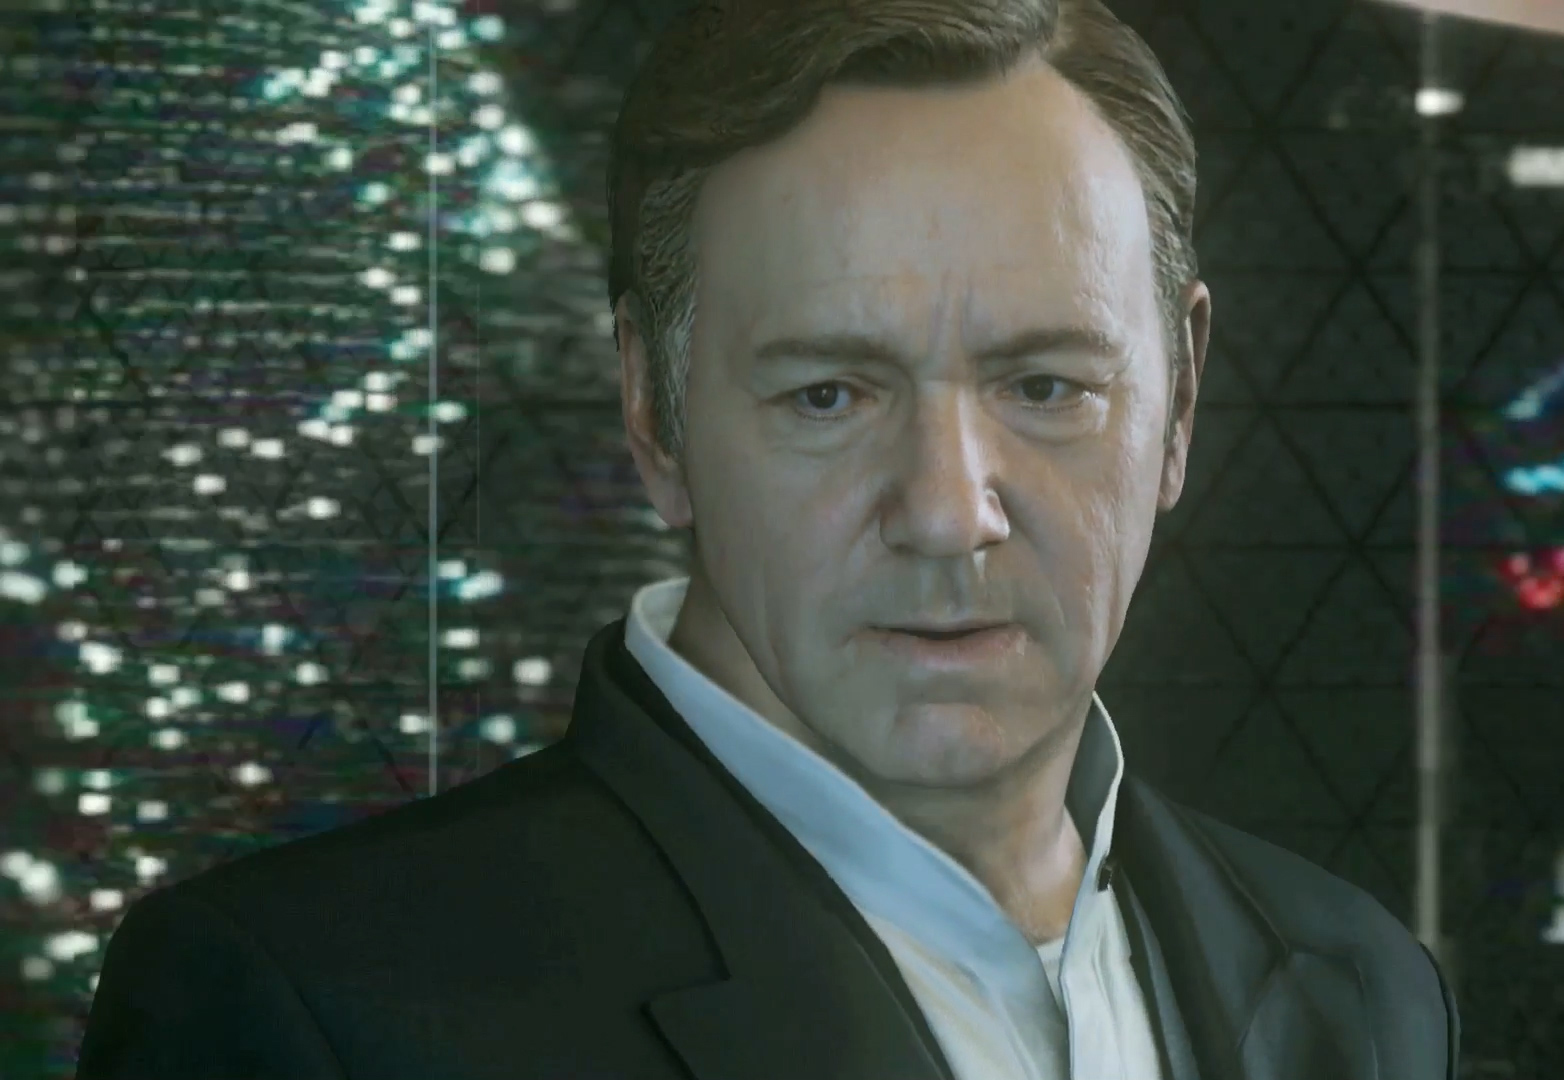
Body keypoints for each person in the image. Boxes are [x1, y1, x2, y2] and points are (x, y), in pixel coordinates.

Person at [76, 1, 1460, 1077]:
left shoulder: (1366, 987)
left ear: (1182, 400)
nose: (947, 512)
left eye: (1046, 387)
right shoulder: (308, 1013)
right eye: (829, 396)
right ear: (653, 412)